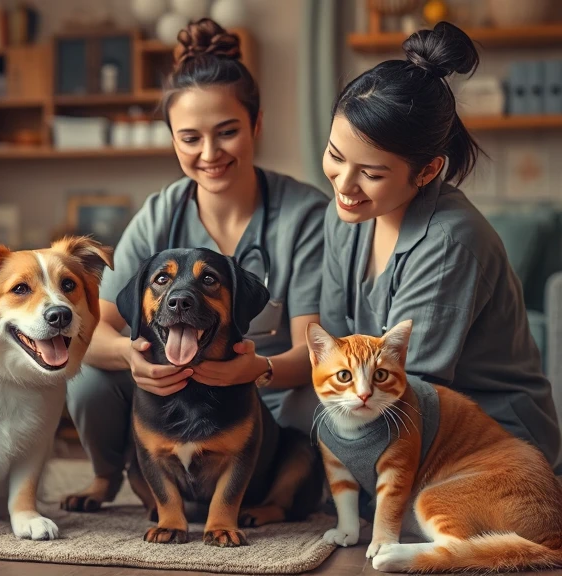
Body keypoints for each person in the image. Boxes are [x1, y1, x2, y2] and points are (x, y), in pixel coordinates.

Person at [62, 18, 331, 512]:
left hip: (269, 397)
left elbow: (314, 352)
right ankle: (105, 478)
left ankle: (284, 493)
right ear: (172, 139)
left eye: (227, 132)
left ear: (257, 124)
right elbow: (94, 328)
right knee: (88, 378)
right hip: (172, 395)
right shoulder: (161, 212)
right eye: (190, 138)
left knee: (318, 405)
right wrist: (131, 356)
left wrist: (256, 369)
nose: (209, 154)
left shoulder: (306, 216)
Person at [319, 21, 562, 474]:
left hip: (490, 446)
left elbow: (413, 393)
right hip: (393, 419)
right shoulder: (346, 218)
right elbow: (332, 352)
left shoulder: (451, 242)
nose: (345, 185)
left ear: (428, 171)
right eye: (335, 156)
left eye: (371, 173)